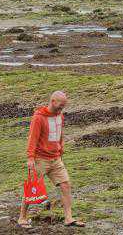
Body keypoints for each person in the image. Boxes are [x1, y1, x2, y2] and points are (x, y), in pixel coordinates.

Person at [18, 91, 85, 229]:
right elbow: (32, 138)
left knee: (66, 185)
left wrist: (60, 150)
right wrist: (30, 157)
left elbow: (60, 133)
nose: (62, 108)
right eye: (61, 105)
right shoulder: (39, 117)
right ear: (53, 101)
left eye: (64, 105)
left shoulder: (60, 115)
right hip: (40, 159)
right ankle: (22, 217)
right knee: (32, 188)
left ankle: (68, 218)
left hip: (56, 159)